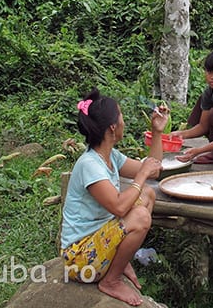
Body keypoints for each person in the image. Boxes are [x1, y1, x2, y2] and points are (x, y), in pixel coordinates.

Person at [60, 87, 167, 306]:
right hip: (79, 257)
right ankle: (111, 280)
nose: (124, 122)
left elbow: (153, 169)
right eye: (121, 117)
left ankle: (119, 261)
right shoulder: (90, 164)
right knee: (140, 217)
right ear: (112, 128)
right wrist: (142, 175)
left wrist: (157, 132)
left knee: (146, 194)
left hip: (98, 238)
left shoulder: (110, 156)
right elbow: (119, 208)